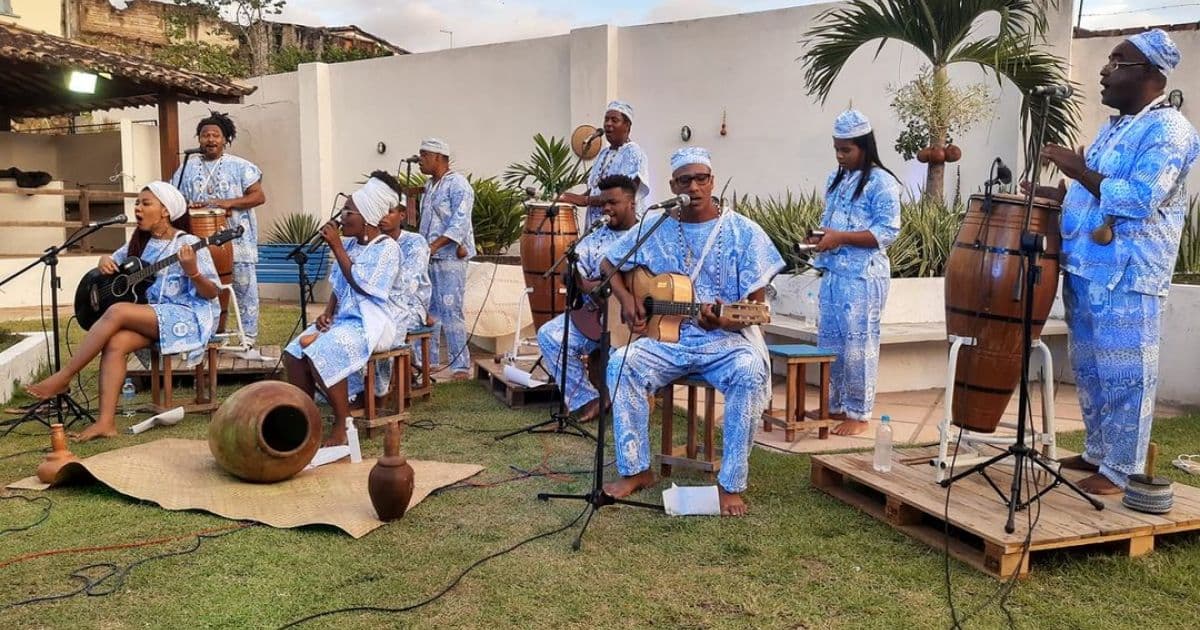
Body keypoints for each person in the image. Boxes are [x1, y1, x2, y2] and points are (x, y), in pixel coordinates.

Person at [1029, 29, 1199, 494]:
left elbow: (1142, 198)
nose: (1104, 70)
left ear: (1147, 73)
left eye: (1116, 62)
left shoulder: (1170, 131)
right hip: (1086, 267)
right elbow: (1092, 192)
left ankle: (1122, 469)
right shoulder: (1114, 127)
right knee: (1089, 368)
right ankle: (1098, 452)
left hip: (1129, 273)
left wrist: (1076, 168)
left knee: (1127, 371)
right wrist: (1055, 195)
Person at [601, 148, 785, 516]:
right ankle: (637, 470)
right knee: (621, 362)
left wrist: (726, 320)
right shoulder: (656, 226)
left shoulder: (743, 232)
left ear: (713, 181)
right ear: (673, 185)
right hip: (669, 340)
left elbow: (757, 307)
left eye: (702, 178)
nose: (695, 186)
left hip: (726, 342)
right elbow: (609, 262)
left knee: (749, 371)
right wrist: (627, 299)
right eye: (686, 180)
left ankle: (729, 484)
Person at [26, 183, 221, 442]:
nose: (137, 208)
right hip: (152, 314)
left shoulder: (188, 243)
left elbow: (211, 293)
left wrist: (192, 271)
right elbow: (112, 262)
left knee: (117, 311)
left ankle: (65, 376)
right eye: (137, 203)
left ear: (165, 211)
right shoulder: (141, 242)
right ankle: (106, 423)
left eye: (145, 203)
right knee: (116, 343)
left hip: (188, 315)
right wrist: (103, 261)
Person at [283, 177, 401, 446]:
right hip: (342, 319)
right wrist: (328, 312)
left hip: (371, 322)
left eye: (348, 212)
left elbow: (363, 284)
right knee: (294, 352)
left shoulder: (386, 248)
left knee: (321, 351)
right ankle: (306, 419)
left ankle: (343, 424)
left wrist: (336, 246)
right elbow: (339, 285)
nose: (342, 217)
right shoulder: (349, 245)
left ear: (368, 217)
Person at [809, 110, 901, 436]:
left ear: (864, 146)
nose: (839, 155)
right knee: (830, 342)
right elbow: (833, 224)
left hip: (864, 277)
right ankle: (834, 404)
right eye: (836, 148)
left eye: (846, 150)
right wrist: (820, 238)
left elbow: (887, 232)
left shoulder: (882, 183)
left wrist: (841, 238)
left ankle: (859, 414)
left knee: (859, 344)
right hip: (834, 273)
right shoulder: (836, 180)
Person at [536, 174, 641, 423]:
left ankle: (627, 404)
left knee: (622, 359)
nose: (605, 208)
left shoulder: (647, 235)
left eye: (613, 202)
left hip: (636, 321)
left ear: (632, 204)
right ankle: (588, 397)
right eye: (602, 203)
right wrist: (571, 271)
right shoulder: (594, 238)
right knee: (549, 336)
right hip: (595, 317)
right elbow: (579, 281)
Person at [172, 111, 266, 359]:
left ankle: (249, 341)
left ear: (226, 139)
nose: (210, 139)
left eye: (216, 135)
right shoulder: (186, 168)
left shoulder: (241, 166)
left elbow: (258, 196)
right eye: (205, 135)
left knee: (245, 289)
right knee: (206, 288)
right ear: (199, 139)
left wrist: (229, 203)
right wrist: (186, 206)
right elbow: (176, 200)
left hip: (236, 239)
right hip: (200, 241)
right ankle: (209, 336)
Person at [348, 173, 432, 405]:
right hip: (374, 302)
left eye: (390, 212)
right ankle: (353, 387)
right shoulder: (369, 241)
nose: (383, 217)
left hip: (408, 305)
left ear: (402, 215)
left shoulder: (415, 243)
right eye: (381, 211)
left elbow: (406, 287)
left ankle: (377, 390)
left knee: (382, 325)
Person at [417, 138, 475, 381]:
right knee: (429, 310)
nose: (419, 160)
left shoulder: (459, 185)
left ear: (438, 157)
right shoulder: (430, 186)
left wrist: (433, 246)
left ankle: (460, 366)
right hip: (429, 258)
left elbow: (458, 224)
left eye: (423, 155)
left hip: (450, 257)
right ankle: (427, 365)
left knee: (451, 309)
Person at [559, 100, 650, 231]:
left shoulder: (633, 152)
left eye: (614, 120)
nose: (608, 124)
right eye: (606, 119)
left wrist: (584, 200)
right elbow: (595, 188)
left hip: (621, 229)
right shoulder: (603, 153)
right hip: (597, 226)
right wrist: (570, 198)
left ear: (627, 126)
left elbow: (625, 194)